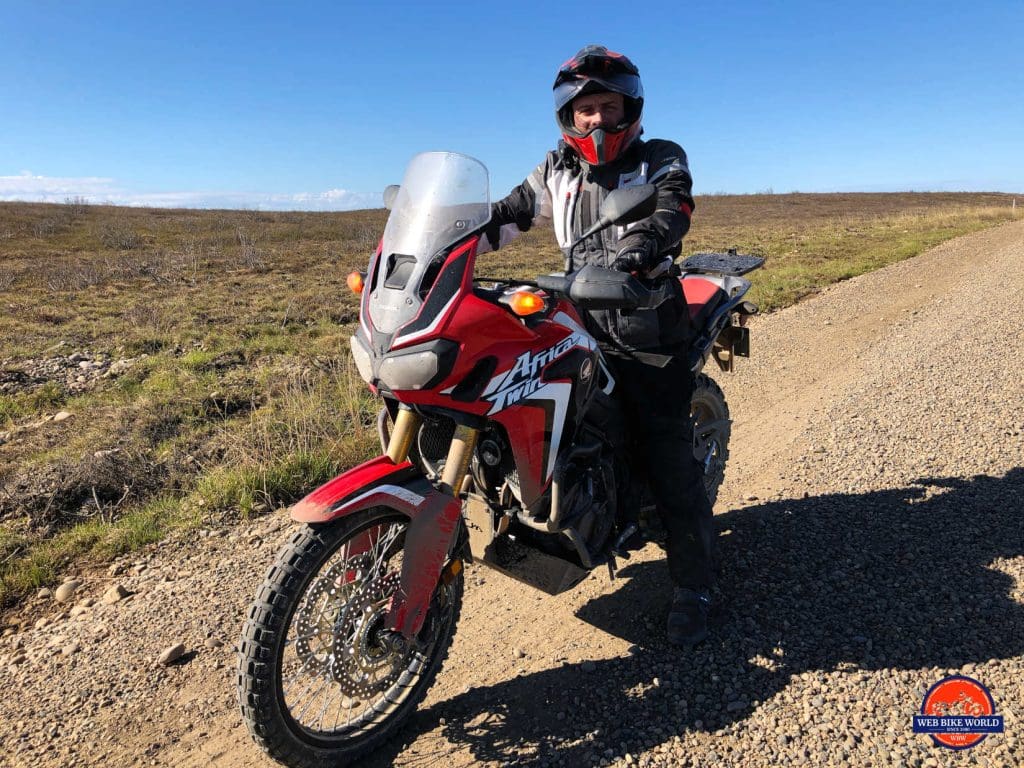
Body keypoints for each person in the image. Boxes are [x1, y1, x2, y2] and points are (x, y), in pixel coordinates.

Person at [481, 44, 715, 646]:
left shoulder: (659, 156)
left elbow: (673, 206)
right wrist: (443, 243)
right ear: (568, 115)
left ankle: (695, 584)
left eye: (607, 106)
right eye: (584, 109)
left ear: (630, 107)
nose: (596, 120)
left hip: (646, 327)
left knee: (666, 451)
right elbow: (507, 214)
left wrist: (643, 246)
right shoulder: (555, 167)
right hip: (577, 316)